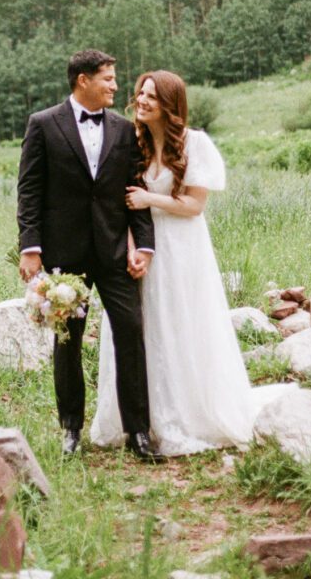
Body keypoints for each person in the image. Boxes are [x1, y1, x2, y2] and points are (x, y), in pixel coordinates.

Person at [91, 70, 273, 456]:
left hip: (182, 247)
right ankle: (139, 421)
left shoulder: (195, 144)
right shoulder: (132, 142)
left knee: (180, 324)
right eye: (140, 93)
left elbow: (194, 206)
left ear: (169, 105)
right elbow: (121, 204)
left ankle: (186, 414)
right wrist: (132, 248)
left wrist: (150, 200)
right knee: (140, 328)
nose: (141, 101)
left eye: (151, 97)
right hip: (142, 245)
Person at [17, 49, 161, 460]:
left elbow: (135, 192)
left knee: (131, 331)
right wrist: (30, 247)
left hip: (115, 250)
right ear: (83, 80)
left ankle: (138, 433)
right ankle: (70, 430)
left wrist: (144, 246)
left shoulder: (123, 129)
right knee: (69, 344)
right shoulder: (43, 125)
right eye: (109, 78)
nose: (117, 85)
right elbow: (29, 190)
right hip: (66, 255)